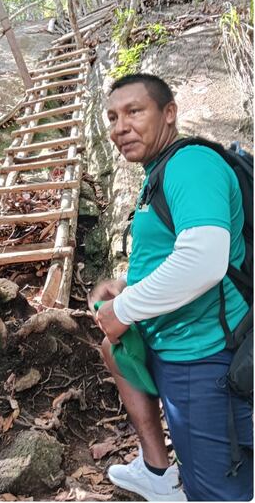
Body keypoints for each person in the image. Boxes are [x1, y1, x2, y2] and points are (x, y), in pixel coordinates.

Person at [89, 73, 252, 501]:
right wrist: (127, 284)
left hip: (204, 362)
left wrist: (123, 311)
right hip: (179, 348)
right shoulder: (160, 171)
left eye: (133, 112)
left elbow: (203, 259)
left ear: (169, 113)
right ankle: (158, 472)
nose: (119, 127)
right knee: (113, 352)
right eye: (111, 117)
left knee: (218, 491)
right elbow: (175, 251)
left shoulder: (190, 165)